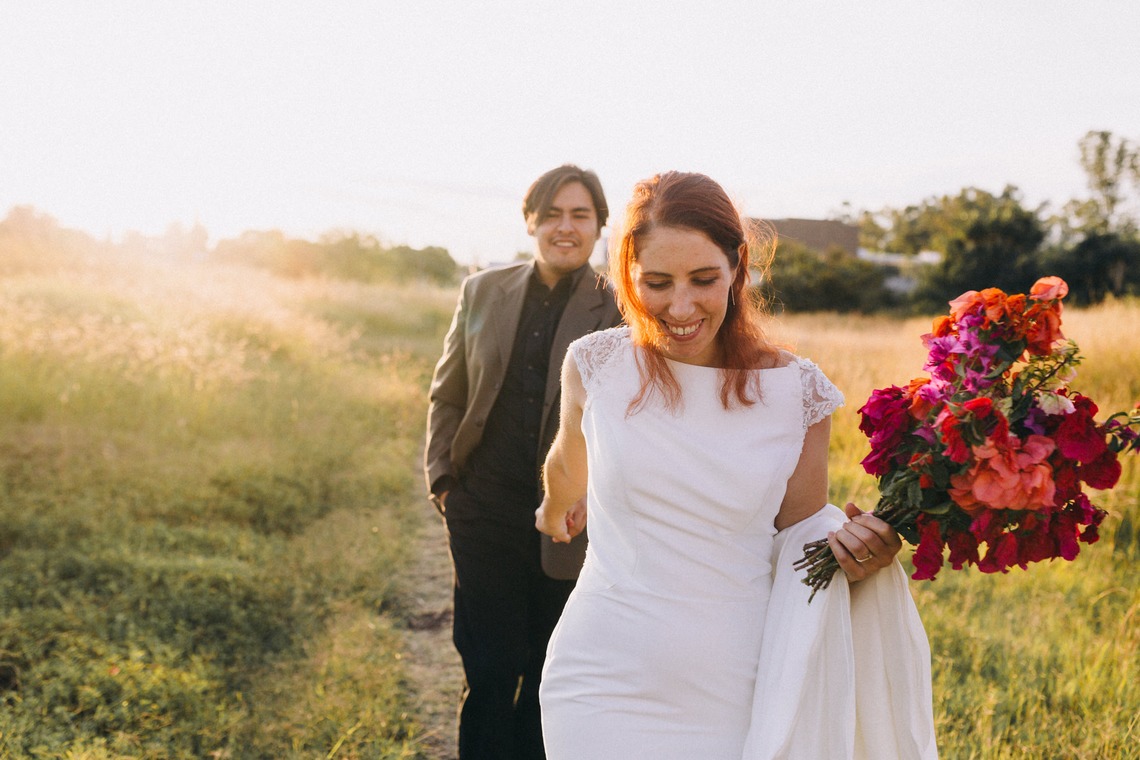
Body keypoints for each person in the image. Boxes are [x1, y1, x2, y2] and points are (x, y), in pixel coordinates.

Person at [536, 171, 938, 759]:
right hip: (601, 675)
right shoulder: (595, 364)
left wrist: (857, 550)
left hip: (739, 683)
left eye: (703, 279)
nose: (680, 306)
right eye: (656, 282)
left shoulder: (795, 391)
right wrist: (554, 505)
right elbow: (568, 472)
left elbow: (801, 535)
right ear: (628, 274)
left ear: (737, 267)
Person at [424, 164, 623, 759]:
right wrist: (443, 480)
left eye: (580, 215)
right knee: (487, 671)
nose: (566, 227)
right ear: (531, 221)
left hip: (569, 522)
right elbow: (448, 390)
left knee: (548, 675)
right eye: (553, 214)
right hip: (480, 508)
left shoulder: (619, 308)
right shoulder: (482, 291)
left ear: (599, 226)